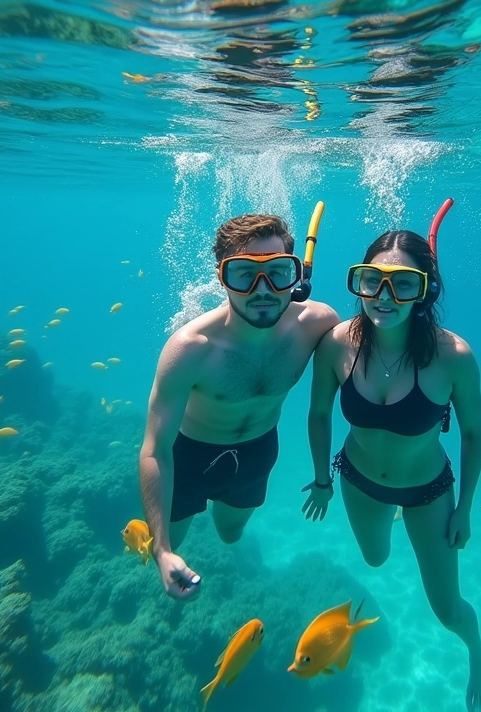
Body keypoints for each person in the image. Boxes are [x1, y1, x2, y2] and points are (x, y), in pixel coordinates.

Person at [303, 229, 481, 711]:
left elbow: (473, 433)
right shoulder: (336, 346)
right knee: (374, 560)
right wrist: (323, 480)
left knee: (448, 611)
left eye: (403, 284)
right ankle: (389, 515)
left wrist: (466, 508)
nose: (384, 298)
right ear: (359, 282)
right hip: (359, 481)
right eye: (372, 281)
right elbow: (319, 414)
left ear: (425, 288)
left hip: (429, 492)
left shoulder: (454, 357)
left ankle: (479, 654)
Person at [140, 213, 338, 601]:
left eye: (278, 272)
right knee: (165, 543)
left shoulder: (318, 324)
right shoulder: (190, 349)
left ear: (296, 276)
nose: (262, 289)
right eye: (244, 274)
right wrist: (162, 551)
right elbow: (154, 448)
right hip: (189, 458)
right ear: (221, 277)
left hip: (258, 452)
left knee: (230, 534)